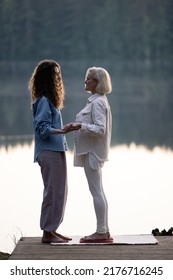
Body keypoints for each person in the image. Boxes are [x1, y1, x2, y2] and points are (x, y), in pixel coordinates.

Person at [28, 60, 77, 244]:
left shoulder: (49, 100)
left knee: (60, 192)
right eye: (55, 74)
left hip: (56, 150)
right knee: (52, 192)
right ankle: (47, 233)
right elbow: (42, 128)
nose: (58, 77)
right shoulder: (43, 101)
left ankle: (52, 229)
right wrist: (62, 130)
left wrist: (62, 132)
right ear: (47, 77)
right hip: (48, 151)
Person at [68, 67, 113, 243]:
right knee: (98, 191)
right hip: (92, 152)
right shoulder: (96, 101)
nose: (85, 81)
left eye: (88, 79)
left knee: (96, 192)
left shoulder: (98, 103)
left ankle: (101, 232)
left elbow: (100, 129)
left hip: (93, 154)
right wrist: (76, 125)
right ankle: (104, 230)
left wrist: (80, 126)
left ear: (97, 82)